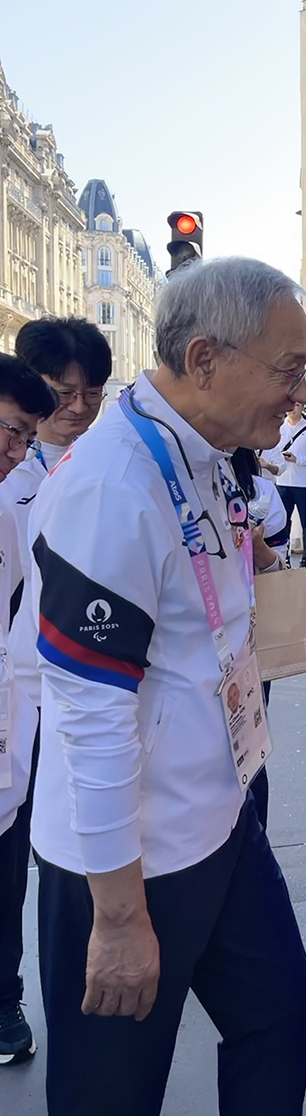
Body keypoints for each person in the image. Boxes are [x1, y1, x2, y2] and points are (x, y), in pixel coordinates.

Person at [28, 258, 306, 1116]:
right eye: (287, 369)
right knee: (108, 1096)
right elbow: (87, 715)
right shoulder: (113, 484)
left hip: (222, 820)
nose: (297, 393)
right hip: (129, 865)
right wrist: (117, 919)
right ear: (204, 358)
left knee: (280, 1013)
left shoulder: (208, 452)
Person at [0, 318, 112, 1064]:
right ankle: (6, 998)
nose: (76, 407)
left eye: (89, 394)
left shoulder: (111, 464)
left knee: (61, 856)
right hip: (19, 695)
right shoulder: (16, 479)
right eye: (61, 395)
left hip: (68, 698)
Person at [0, 355, 58, 1066]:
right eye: (11, 434)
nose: (16, 453)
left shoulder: (24, 490)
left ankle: (3, 996)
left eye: (24, 439)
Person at [230, 445, 290, 833]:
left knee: (249, 749)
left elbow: (280, 567)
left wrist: (261, 550)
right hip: (192, 649)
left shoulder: (260, 493)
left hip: (249, 638)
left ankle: (255, 840)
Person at [264, 401, 306, 572]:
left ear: (302, 407)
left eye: (296, 405)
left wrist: (299, 459)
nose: (292, 409)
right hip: (282, 482)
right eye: (289, 406)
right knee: (282, 522)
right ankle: (285, 557)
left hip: (304, 483)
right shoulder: (280, 428)